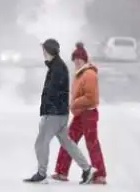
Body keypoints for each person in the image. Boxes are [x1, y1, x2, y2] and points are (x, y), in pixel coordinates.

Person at [24, 38, 97, 184]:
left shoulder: (57, 68)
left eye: (44, 50)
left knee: (41, 142)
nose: (43, 53)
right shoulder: (56, 66)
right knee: (67, 143)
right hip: (59, 113)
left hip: (55, 114)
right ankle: (87, 169)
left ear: (49, 51)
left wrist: (48, 112)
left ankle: (41, 173)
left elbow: (54, 93)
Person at [51, 42, 107, 185]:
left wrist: (74, 104)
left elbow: (91, 97)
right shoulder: (79, 74)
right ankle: (61, 172)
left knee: (92, 144)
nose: (76, 61)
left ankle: (99, 175)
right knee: (68, 141)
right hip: (80, 114)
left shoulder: (89, 74)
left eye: (79, 58)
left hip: (88, 114)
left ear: (85, 59)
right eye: (75, 58)